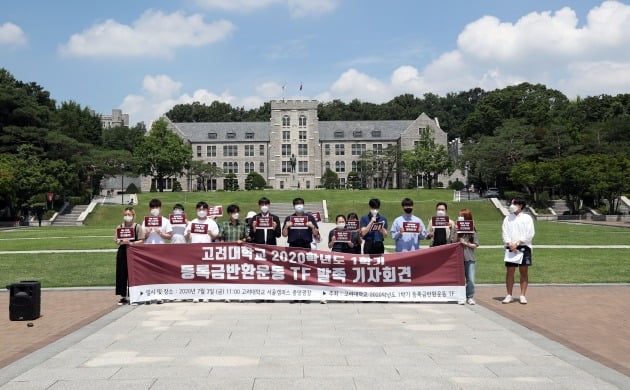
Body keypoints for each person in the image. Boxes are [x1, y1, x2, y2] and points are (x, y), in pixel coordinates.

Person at [502, 197, 535, 304]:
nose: (511, 205)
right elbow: (504, 232)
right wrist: (510, 243)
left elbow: (530, 234)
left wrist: (518, 243)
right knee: (510, 271)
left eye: (513, 203)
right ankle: (509, 294)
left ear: (520, 205)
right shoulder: (507, 218)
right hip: (510, 247)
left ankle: (522, 295)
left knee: (523, 271)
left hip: (524, 247)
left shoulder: (527, 218)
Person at [115, 207, 143, 305]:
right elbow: (116, 240)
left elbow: (141, 240)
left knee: (133, 273)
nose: (127, 216)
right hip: (122, 251)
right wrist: (121, 242)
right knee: (122, 273)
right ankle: (123, 296)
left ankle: (134, 296)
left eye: (129, 214)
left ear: (133, 215)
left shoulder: (137, 227)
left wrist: (132, 243)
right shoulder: (120, 227)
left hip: (133, 251)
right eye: (125, 214)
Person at [453, 208, 479, 305]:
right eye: (459, 216)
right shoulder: (456, 228)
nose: (459, 218)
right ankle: (460, 297)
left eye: (462, 216)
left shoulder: (472, 230)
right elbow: (452, 241)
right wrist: (456, 231)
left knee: (471, 279)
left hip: (469, 257)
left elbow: (475, 245)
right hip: (458, 258)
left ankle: (470, 296)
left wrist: (466, 243)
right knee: (459, 279)